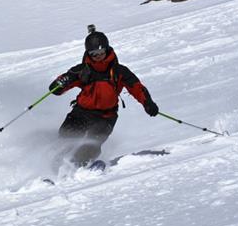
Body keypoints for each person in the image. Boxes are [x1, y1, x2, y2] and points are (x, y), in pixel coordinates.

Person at [49, 27, 159, 166]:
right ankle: (54, 164)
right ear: (88, 54)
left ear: (107, 50)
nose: (98, 56)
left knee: (92, 144)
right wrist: (61, 83)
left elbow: (137, 88)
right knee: (65, 137)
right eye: (94, 54)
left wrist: (148, 103)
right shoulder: (82, 70)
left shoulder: (119, 71)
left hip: (105, 117)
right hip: (81, 112)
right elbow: (55, 89)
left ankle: (80, 166)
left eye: (101, 52)